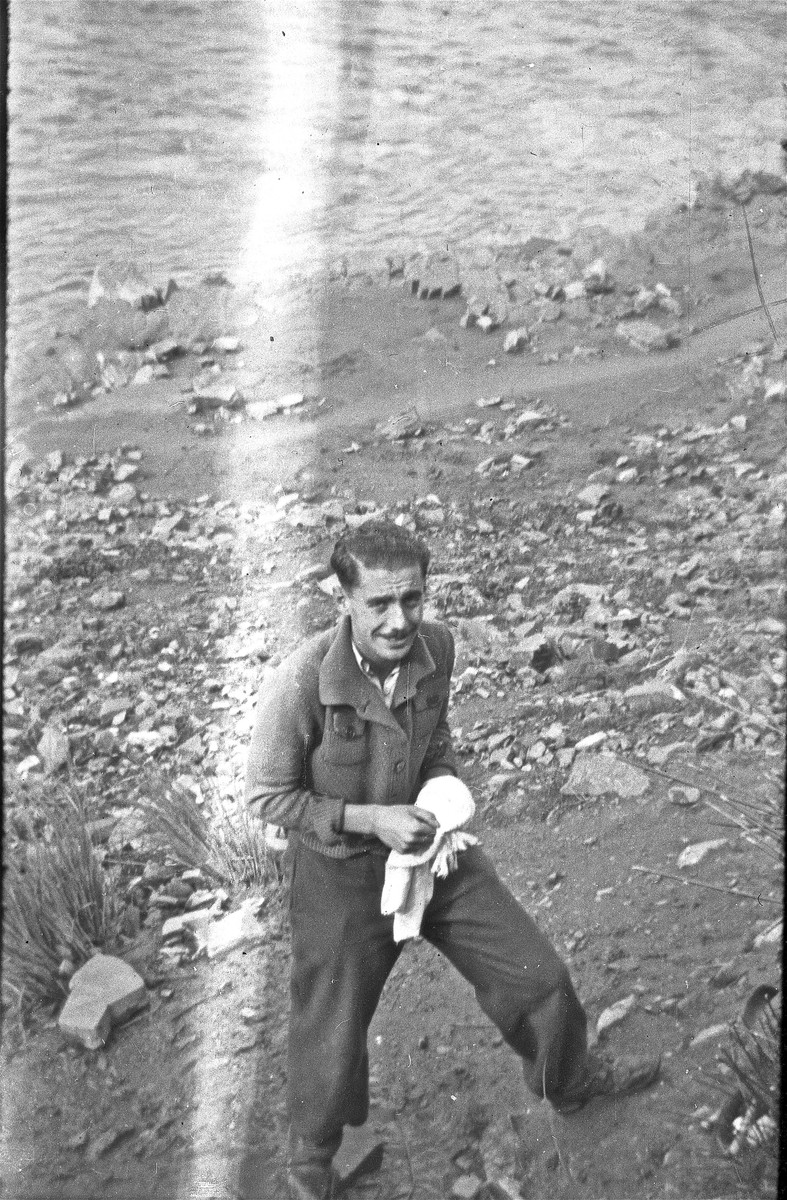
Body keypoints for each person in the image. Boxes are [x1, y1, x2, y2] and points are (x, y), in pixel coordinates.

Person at [245, 520, 660, 1200]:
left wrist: (443, 791)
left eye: (411, 599)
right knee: (329, 1024)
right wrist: (368, 819)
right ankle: (310, 1165)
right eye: (378, 603)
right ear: (343, 598)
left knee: (538, 974)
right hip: (341, 870)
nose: (398, 619)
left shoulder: (437, 648)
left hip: (432, 855)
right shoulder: (302, 680)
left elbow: (434, 739)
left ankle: (571, 1079)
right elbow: (267, 795)